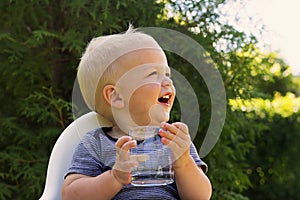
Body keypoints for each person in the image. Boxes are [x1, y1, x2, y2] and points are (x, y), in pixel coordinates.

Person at [61, 26, 212, 200]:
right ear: (116, 96)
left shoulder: (174, 140)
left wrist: (184, 162)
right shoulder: (97, 143)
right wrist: (114, 177)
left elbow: (201, 196)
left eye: (167, 74)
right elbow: (70, 195)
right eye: (153, 74)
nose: (168, 82)